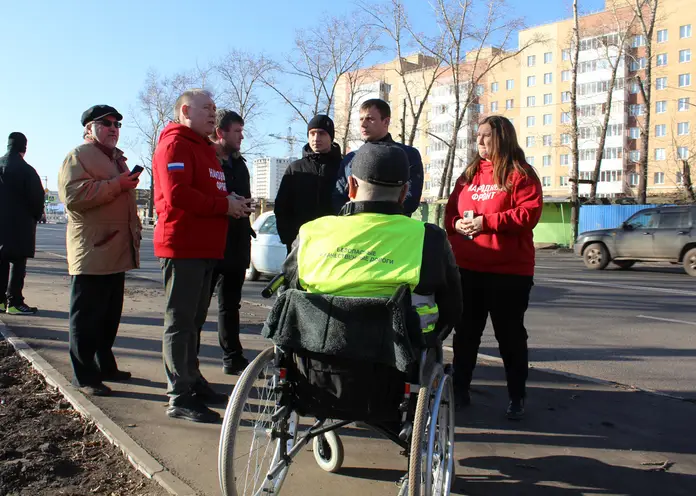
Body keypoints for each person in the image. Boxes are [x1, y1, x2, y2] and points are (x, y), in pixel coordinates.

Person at [284, 141, 462, 343]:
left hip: (316, 357)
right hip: (399, 361)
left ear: (351, 186)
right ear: (404, 193)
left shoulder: (312, 232)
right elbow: (452, 307)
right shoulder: (429, 238)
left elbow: (289, 291)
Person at [153, 89, 253, 423]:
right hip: (183, 246)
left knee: (194, 322)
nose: (213, 114)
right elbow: (178, 194)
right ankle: (179, 395)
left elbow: (212, 192)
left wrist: (233, 203)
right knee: (180, 322)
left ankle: (192, 380)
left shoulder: (206, 150)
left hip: (207, 248)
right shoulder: (175, 144)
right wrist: (224, 205)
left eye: (214, 108)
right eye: (206, 108)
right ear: (185, 110)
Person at [444, 115, 543, 420]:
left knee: (510, 337)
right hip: (468, 269)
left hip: (509, 273)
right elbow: (450, 215)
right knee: (466, 336)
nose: (481, 142)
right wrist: (457, 224)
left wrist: (486, 222)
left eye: (487, 136)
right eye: (478, 137)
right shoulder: (469, 175)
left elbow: (528, 214)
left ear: (502, 137)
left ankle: (517, 396)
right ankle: (460, 391)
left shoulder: (521, 174)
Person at [58, 105, 142, 397]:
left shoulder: (117, 159)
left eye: (117, 124)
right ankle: (84, 376)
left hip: (115, 250)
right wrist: (117, 184)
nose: (113, 128)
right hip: (92, 250)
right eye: (105, 123)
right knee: (87, 317)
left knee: (109, 316)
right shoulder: (79, 156)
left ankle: (104, 364)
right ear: (88, 128)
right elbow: (72, 196)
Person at [209, 110, 254, 375]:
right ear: (220, 132)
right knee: (198, 307)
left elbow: (245, 198)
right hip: (213, 242)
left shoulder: (240, 164)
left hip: (237, 243)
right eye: (236, 131)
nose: (241, 136)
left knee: (230, 304)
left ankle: (233, 357)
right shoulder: (208, 162)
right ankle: (190, 365)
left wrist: (244, 208)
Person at [332, 99, 423, 216]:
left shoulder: (408, 155)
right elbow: (338, 196)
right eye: (361, 119)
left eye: (370, 119)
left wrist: (374, 217)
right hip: (356, 228)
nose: (363, 124)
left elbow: (411, 198)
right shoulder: (350, 159)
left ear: (386, 122)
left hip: (393, 229)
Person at [275, 115, 343, 252]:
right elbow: (282, 205)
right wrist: (289, 238)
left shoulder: (343, 166)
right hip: (300, 244)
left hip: (334, 244)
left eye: (321, 133)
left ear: (331, 136)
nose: (316, 138)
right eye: (312, 133)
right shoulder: (295, 168)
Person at [0, 132, 45, 315]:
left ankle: (0, 302)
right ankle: (15, 302)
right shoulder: (26, 170)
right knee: (18, 264)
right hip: (20, 226)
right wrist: (35, 215)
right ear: (23, 149)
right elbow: (36, 198)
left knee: (1, 261)